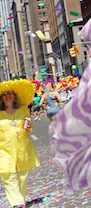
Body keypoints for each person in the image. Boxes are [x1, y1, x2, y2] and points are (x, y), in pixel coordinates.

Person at [0, 79, 39, 208]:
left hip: (23, 149)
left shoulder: (23, 110)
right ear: (1, 98)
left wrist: (28, 128)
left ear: (14, 96)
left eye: (10, 93)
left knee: (22, 179)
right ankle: (17, 204)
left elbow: (29, 126)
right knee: (9, 177)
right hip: (4, 151)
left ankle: (19, 202)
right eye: (5, 94)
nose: (7, 96)